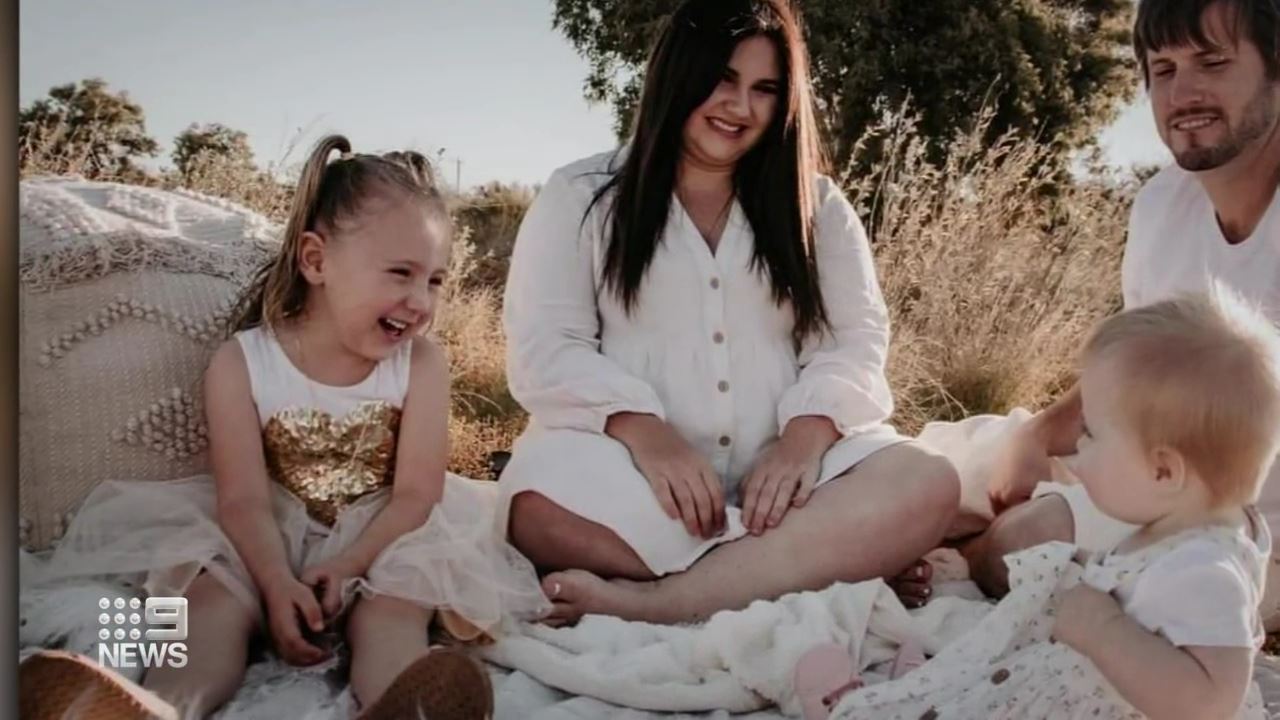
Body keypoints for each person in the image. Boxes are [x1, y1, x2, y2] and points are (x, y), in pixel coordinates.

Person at [19, 135, 550, 720]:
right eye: (401, 273)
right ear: (316, 261)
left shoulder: (419, 364)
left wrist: (349, 566)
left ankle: (402, 704)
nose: (420, 301)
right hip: (263, 535)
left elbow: (417, 495)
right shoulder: (243, 362)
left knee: (395, 608)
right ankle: (159, 706)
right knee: (209, 602)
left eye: (435, 280)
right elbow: (242, 499)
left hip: (386, 534)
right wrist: (275, 583)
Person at [498, 0, 960, 626]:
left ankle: (666, 598)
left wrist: (801, 444)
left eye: (765, 89)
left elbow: (854, 343)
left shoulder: (819, 208)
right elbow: (547, 347)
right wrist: (648, 435)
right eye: (723, 78)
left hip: (796, 486)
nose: (740, 107)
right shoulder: (580, 196)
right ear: (678, 74)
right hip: (628, 474)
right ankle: (819, 562)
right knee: (535, 510)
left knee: (927, 483)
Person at [823, 293, 1277, 719]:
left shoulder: (1206, 572)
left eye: (1092, 433)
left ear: (1163, 472)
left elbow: (1211, 704)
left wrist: (1103, 628)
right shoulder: (1179, 529)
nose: (1077, 446)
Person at [966, 0, 1280, 616]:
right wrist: (1038, 435)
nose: (1183, 93)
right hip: (1157, 476)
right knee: (960, 491)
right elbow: (1144, 372)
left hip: (1240, 526)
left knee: (1027, 554)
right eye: (1163, 70)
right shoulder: (1163, 206)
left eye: (1213, 62)